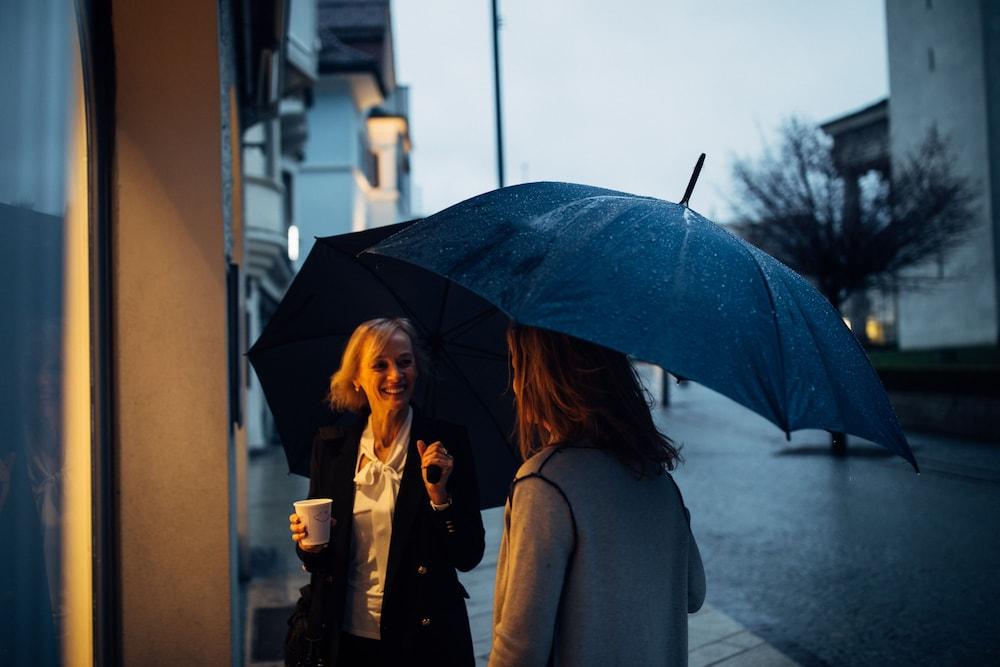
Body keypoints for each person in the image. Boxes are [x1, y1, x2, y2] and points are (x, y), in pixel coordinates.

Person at [489, 325, 706, 666]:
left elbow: (520, 647)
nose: (514, 385)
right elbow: (693, 593)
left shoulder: (544, 483)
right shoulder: (657, 479)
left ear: (542, 379)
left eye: (517, 368)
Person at [289, 317, 485, 666]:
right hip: (345, 637)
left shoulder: (446, 445)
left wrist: (439, 497)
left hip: (422, 641)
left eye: (405, 362)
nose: (396, 375)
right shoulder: (331, 448)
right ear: (357, 378)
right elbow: (319, 558)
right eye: (380, 365)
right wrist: (307, 544)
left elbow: (468, 555)